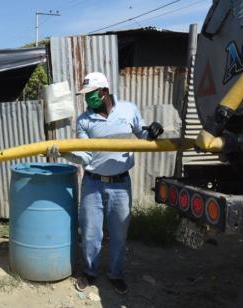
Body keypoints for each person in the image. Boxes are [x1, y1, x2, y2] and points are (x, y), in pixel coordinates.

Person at [46, 72, 163, 295]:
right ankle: (90, 273)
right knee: (90, 233)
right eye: (85, 95)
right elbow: (85, 156)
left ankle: (116, 274)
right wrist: (66, 155)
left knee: (119, 234)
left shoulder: (128, 110)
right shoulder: (84, 120)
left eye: (91, 94)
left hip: (121, 185)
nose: (87, 98)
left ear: (104, 92)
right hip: (93, 184)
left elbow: (144, 135)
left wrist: (154, 131)